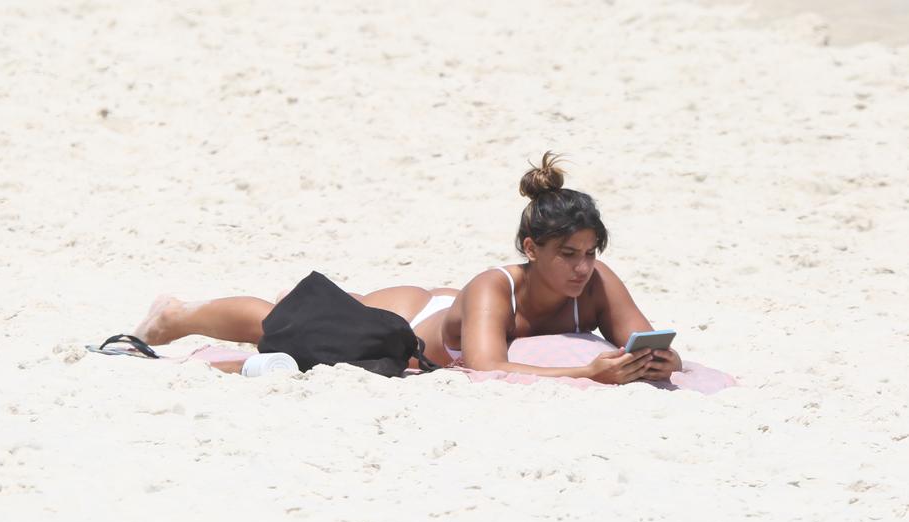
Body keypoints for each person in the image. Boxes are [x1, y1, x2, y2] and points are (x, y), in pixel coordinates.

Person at [133, 153, 682, 384]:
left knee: (299, 321)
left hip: (432, 308)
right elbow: (488, 369)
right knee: (286, 326)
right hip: (410, 323)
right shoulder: (497, 286)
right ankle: (175, 316)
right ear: (531, 248)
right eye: (568, 254)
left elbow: (647, 338)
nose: (582, 267)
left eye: (590, 253)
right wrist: (589, 373)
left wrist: (656, 358)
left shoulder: (598, 283)